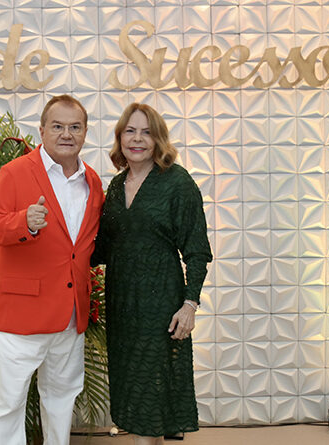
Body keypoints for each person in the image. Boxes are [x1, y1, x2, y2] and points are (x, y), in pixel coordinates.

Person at [0, 95, 105, 445]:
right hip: (21, 313)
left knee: (62, 398)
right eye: (58, 126)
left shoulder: (92, 181)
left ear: (85, 132)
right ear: (42, 130)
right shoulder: (16, 172)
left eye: (75, 127)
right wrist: (24, 222)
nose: (67, 134)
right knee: (6, 404)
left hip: (70, 314)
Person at [92, 103, 212, 445]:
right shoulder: (116, 186)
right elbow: (100, 249)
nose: (137, 139)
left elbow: (197, 251)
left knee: (150, 394)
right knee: (139, 396)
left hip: (161, 306)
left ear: (159, 139)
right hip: (122, 307)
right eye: (130, 131)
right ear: (120, 138)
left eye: (146, 132)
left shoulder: (177, 182)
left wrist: (190, 305)